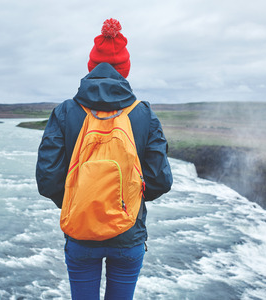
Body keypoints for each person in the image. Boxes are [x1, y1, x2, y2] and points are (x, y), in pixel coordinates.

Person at [36, 18, 173, 300]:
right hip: (128, 232)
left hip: (80, 231)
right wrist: (122, 200)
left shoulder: (64, 112)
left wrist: (84, 199)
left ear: (91, 68)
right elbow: (160, 181)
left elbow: (47, 179)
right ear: (125, 71)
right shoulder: (144, 114)